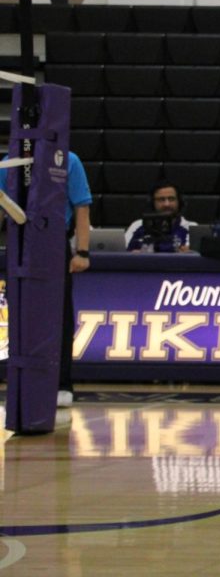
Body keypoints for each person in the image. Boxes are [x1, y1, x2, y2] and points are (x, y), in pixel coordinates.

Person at [61, 151, 92, 407]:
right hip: (21, 241)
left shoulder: (69, 160)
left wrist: (82, 250)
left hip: (55, 240)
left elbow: (82, 206)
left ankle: (62, 382)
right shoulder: (10, 162)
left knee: (61, 316)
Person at [124, 180, 194, 252]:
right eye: (161, 199)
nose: (167, 204)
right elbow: (122, 254)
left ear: (179, 202)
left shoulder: (191, 227)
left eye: (171, 199)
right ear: (152, 203)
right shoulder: (137, 225)